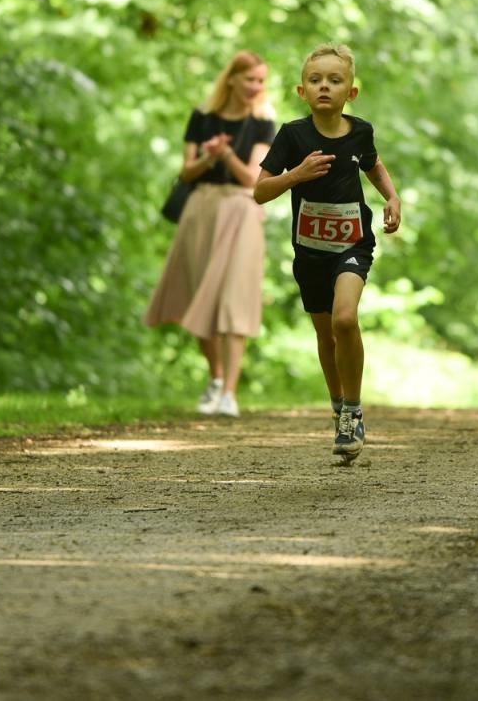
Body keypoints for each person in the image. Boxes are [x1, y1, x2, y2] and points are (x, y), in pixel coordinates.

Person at [255, 44, 401, 461]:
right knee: (324, 333)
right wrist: (295, 175)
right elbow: (259, 191)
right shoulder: (293, 135)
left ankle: (353, 412)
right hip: (310, 251)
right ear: (302, 91)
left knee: (344, 319)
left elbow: (372, 164)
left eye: (335, 80)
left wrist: (392, 198)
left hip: (353, 244)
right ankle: (338, 404)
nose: (325, 87)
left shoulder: (360, 131)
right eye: (316, 80)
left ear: (350, 92)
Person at [144, 51, 277, 418]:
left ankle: (230, 393)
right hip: (201, 209)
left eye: (261, 81)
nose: (255, 87)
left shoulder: (264, 123)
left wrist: (227, 153)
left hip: (242, 210)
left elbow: (254, 178)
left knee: (236, 297)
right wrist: (208, 157)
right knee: (198, 293)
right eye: (249, 79)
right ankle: (216, 378)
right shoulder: (202, 118)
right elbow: (187, 172)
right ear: (231, 79)